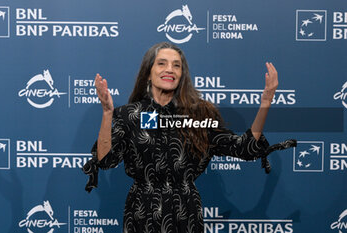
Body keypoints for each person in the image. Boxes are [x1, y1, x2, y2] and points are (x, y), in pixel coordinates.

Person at [82, 42, 296, 233]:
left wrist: (266, 102)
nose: (169, 70)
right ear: (148, 72)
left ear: (182, 74)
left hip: (186, 212)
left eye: (176, 65)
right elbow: (105, 160)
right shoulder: (128, 115)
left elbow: (245, 148)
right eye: (162, 63)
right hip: (142, 213)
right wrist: (108, 113)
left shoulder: (199, 114)